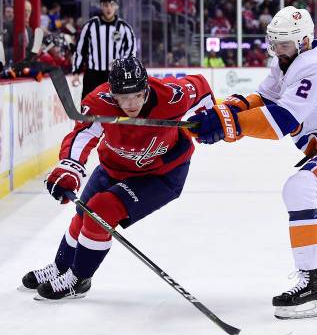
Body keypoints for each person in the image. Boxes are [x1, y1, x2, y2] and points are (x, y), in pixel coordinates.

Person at [187, 6, 317, 320]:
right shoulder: (288, 59)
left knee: (301, 188)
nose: (276, 50)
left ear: (304, 40)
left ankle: (313, 286)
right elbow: (264, 98)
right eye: (273, 43)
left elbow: (281, 120)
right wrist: (224, 109)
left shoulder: (316, 65)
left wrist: (228, 124)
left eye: (283, 45)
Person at [21, 56, 215, 300]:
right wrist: (70, 168)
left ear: (146, 89)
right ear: (112, 94)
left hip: (160, 174)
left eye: (137, 95)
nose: (131, 103)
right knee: (83, 215)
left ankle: (79, 279)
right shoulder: (99, 102)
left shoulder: (171, 96)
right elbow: (82, 134)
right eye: (123, 97)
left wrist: (210, 119)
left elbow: (201, 87)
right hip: (114, 167)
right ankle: (61, 267)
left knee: (101, 210)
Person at [72, 0, 137, 99]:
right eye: (106, 5)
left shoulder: (125, 28)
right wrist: (76, 72)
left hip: (115, 75)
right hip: (92, 74)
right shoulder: (90, 26)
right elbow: (80, 50)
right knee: (89, 107)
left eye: (111, 5)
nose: (109, 8)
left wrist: (122, 66)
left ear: (116, 6)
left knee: (114, 107)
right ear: (101, 6)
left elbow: (131, 52)